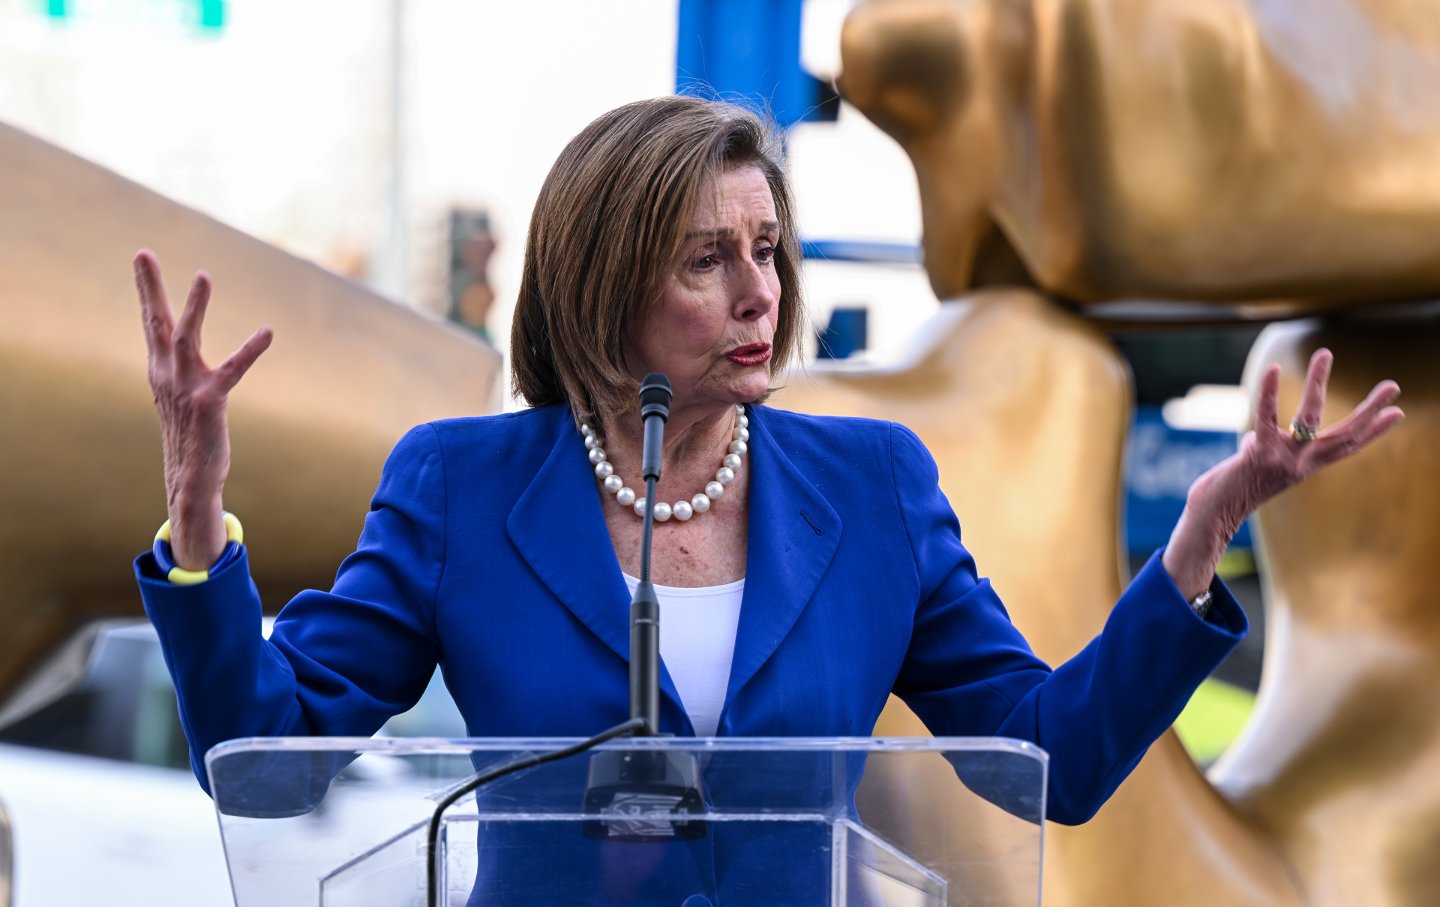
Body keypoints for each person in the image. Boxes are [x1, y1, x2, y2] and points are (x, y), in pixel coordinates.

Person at [132, 95, 1402, 885]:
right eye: (708, 260)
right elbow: (272, 766)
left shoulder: (876, 485)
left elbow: (1046, 760)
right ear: (604, 282)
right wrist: (199, 531)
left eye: (769, 252)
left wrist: (1201, 535)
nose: (760, 293)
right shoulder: (460, 485)